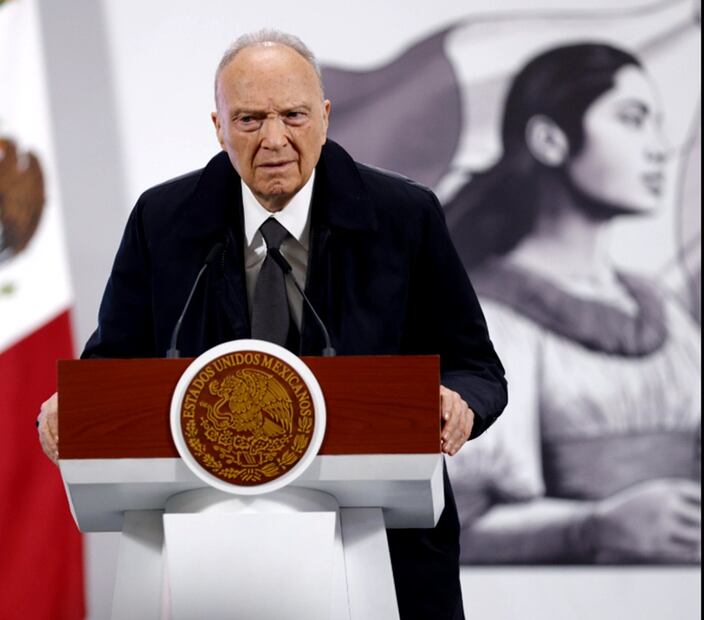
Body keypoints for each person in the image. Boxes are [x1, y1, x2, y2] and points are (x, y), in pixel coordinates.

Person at [38, 30, 507, 618]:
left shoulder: (403, 216)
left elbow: (478, 368)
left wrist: (459, 402)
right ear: (218, 126)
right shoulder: (165, 220)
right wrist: (75, 407)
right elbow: (113, 365)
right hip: (207, 551)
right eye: (250, 119)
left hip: (384, 549)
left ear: (326, 117)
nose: (275, 139)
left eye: (293, 115)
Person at [445, 43, 701, 564]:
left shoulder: (665, 310)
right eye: (632, 120)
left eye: (657, 123)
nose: (659, 148)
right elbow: (458, 519)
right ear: (550, 139)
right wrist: (594, 526)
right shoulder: (489, 316)